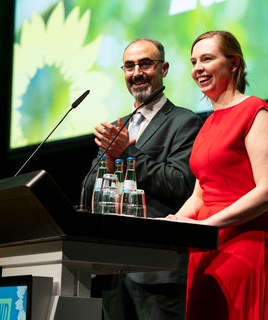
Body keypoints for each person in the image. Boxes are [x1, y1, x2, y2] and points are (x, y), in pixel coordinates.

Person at [165, 30, 268, 319]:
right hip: (206, 245)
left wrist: (208, 227)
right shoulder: (207, 123)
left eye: (207, 59)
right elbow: (200, 193)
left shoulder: (255, 112)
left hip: (245, 242)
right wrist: (173, 225)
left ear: (233, 64)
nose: (198, 68)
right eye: (194, 61)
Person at [83, 38, 204, 320]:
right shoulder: (117, 127)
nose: (136, 72)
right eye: (129, 66)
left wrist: (127, 152)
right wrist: (110, 162)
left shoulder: (184, 122)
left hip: (157, 271)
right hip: (111, 270)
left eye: (145, 64)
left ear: (164, 69)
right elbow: (88, 191)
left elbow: (180, 185)